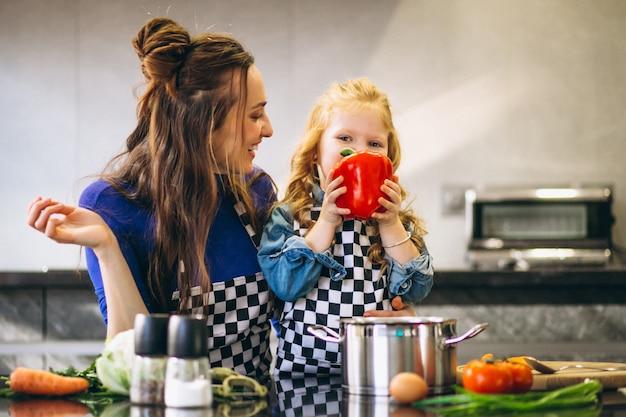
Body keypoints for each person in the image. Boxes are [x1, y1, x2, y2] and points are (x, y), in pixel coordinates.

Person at [26, 17, 276, 382]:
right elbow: (131, 359)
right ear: (202, 123)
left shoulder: (256, 191)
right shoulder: (112, 206)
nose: (268, 129)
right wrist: (106, 246)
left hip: (260, 404)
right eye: (255, 115)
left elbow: (297, 310)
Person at [257, 77, 434, 375]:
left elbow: (417, 288)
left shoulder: (395, 220)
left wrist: (390, 224)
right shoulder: (288, 215)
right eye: (345, 139)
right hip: (303, 373)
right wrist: (326, 221)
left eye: (374, 143)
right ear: (315, 150)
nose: (360, 152)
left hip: (378, 370)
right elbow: (285, 285)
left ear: (388, 159)